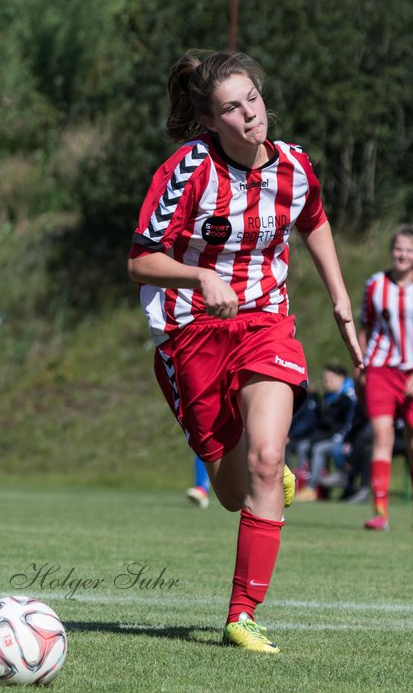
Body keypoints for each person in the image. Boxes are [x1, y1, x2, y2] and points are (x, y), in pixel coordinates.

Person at [128, 50, 363, 654]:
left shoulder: (293, 164)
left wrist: (339, 299)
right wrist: (199, 278)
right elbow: (140, 259)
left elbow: (313, 219)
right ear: (211, 120)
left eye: (252, 99)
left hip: (266, 324)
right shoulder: (187, 170)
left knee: (264, 459)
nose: (249, 115)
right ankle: (260, 476)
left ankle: (242, 614)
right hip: (191, 331)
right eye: (231, 108)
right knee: (233, 492)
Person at [356, 227, 413, 530]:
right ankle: (380, 512)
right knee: (382, 436)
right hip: (380, 369)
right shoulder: (375, 285)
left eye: (409, 250)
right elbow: (366, 326)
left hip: (412, 371)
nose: (403, 255)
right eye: (399, 249)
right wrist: (359, 364)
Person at [288, 364, 356, 501]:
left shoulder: (349, 396)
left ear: (341, 378)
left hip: (342, 440)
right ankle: (298, 483)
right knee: (304, 445)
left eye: (330, 379)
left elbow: (350, 423)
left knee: (319, 449)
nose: (326, 383)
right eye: (325, 379)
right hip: (327, 437)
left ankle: (312, 487)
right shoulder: (328, 397)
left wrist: (342, 439)